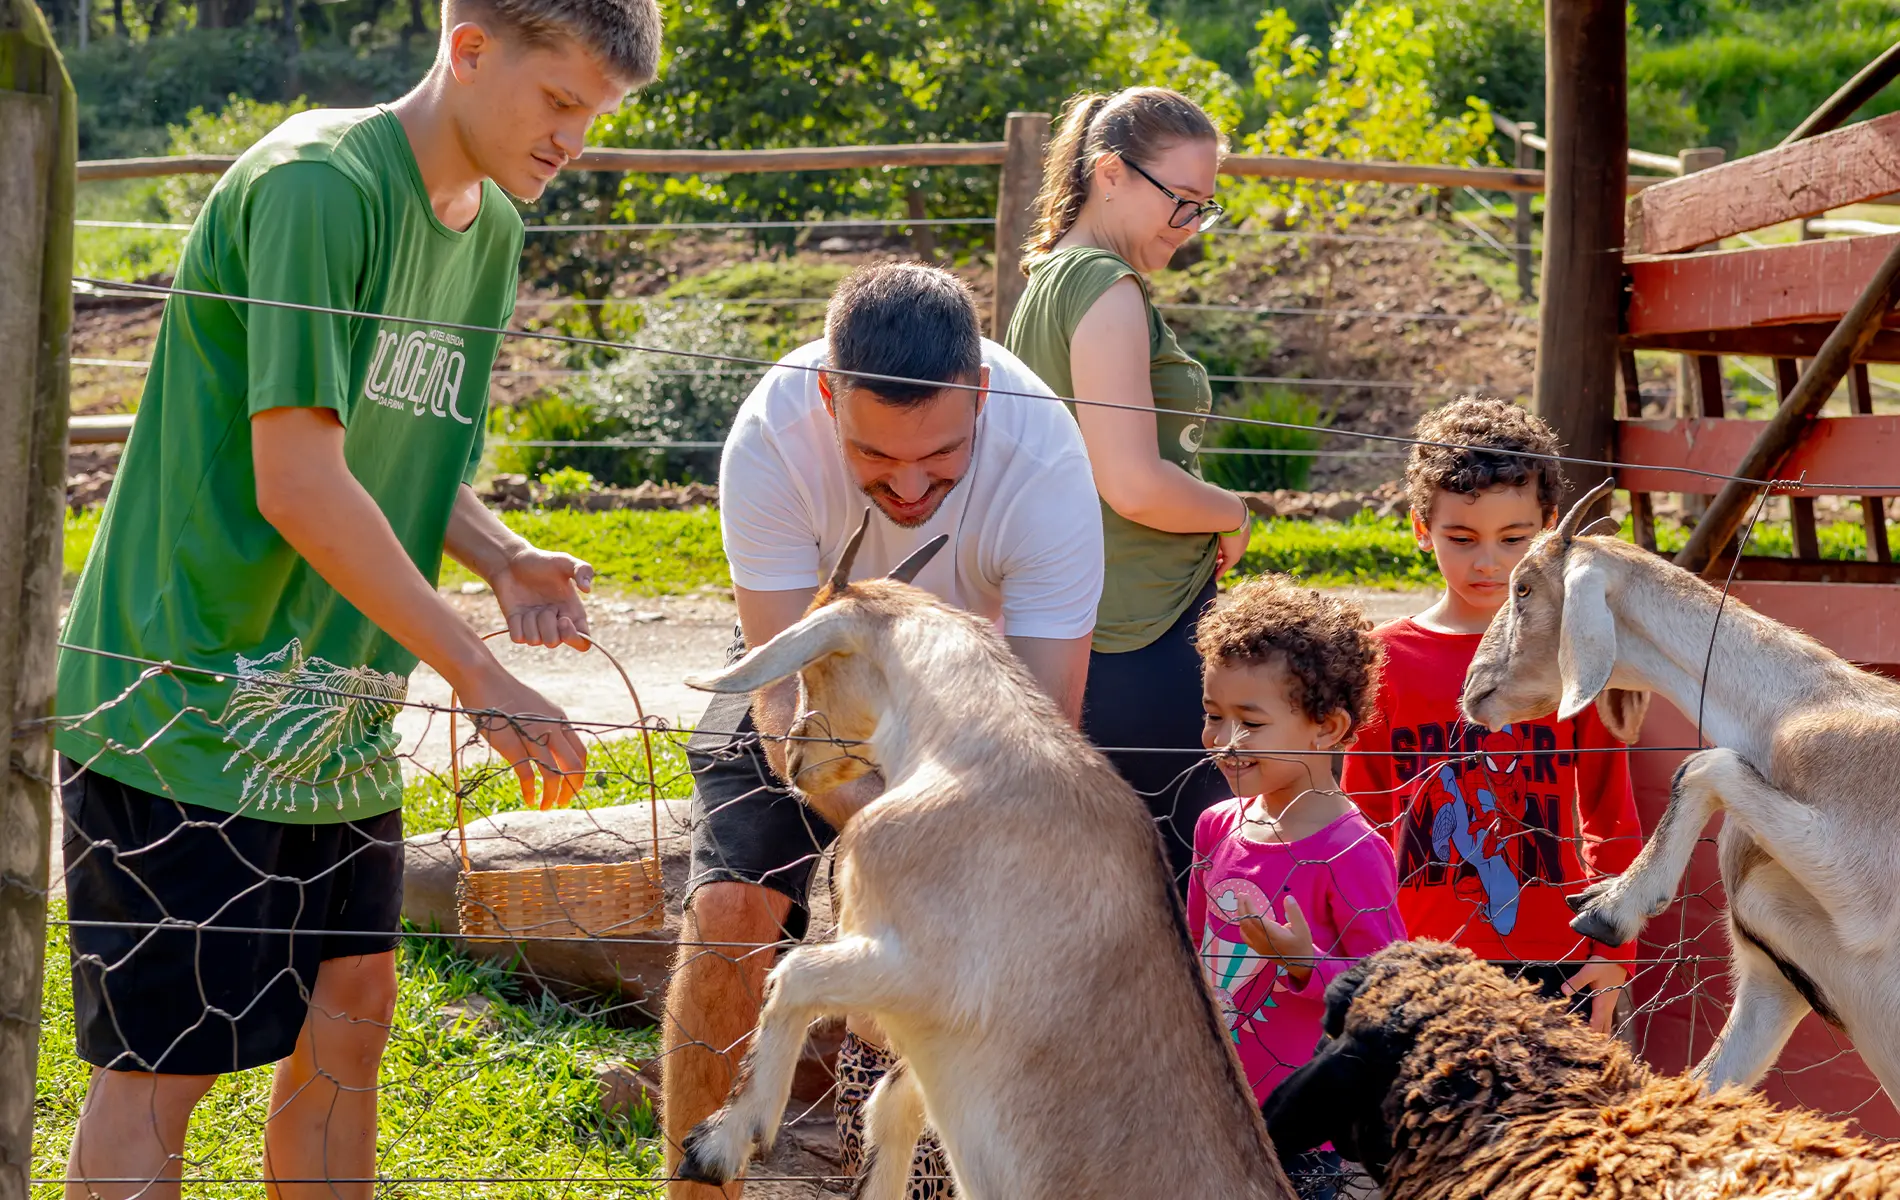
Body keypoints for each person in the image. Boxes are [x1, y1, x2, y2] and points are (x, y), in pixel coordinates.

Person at [50, 1, 661, 1195]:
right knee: (163, 1067)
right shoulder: (320, 187)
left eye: (597, 114)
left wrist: (497, 556)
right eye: (560, 100)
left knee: (354, 1010)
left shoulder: (486, 226)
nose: (575, 138)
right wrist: (478, 671)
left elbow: (391, 437)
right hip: (186, 692)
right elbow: (298, 482)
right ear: (469, 47)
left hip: (333, 705)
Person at [661, 262, 1104, 1200]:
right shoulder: (772, 437)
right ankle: (698, 1190)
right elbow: (783, 706)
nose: (908, 484)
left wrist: (923, 890)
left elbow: (1041, 728)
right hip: (815, 667)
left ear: (981, 393)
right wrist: (879, 851)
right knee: (730, 910)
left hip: (977, 700)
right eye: (875, 457)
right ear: (828, 396)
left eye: (942, 456)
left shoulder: (1051, 464)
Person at [1004, 86, 1251, 891]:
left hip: (1094, 617)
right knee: (1176, 883)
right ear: (1110, 172)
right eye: (1181, 202)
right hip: (1138, 631)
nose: (1189, 228)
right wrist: (1231, 510)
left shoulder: (1047, 280)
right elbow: (1133, 483)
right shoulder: (1106, 288)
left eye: (1203, 208)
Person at [1341, 397, 1644, 1035]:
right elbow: (1360, 821)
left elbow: (1610, 812)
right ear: (1420, 529)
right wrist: (1366, 952)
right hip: (1417, 966)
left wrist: (1613, 951)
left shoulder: (1576, 655)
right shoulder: (1383, 660)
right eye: (1461, 538)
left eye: (1514, 539)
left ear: (1552, 529)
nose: (1488, 562)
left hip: (1558, 963)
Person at [1187, 575, 1405, 1200]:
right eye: (1212, 716)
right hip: (1218, 1111)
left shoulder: (1352, 850)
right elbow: (1196, 955)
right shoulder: (1217, 828)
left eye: (1249, 723)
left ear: (1327, 728)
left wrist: (1306, 964)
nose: (1224, 742)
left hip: (1314, 1140)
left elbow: (1387, 992)